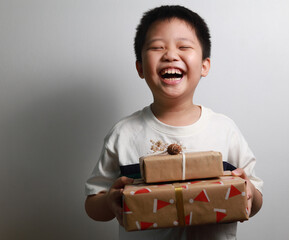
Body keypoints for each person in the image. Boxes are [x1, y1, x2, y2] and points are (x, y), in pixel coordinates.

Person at [85, 5, 263, 240]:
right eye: (157, 47)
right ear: (140, 67)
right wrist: (109, 201)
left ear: (204, 65)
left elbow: (256, 196)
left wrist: (248, 190)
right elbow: (92, 204)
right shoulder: (124, 133)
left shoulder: (224, 130)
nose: (170, 54)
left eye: (184, 46)